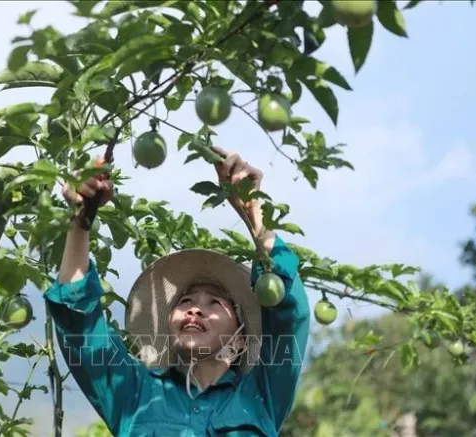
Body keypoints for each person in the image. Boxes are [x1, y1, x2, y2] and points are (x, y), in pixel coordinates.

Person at [45, 146, 310, 436]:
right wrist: (81, 218)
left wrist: (252, 211)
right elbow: (78, 322)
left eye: (214, 304)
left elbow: (286, 306)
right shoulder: (134, 392)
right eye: (185, 301)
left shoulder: (262, 393)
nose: (195, 309)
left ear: (242, 338)